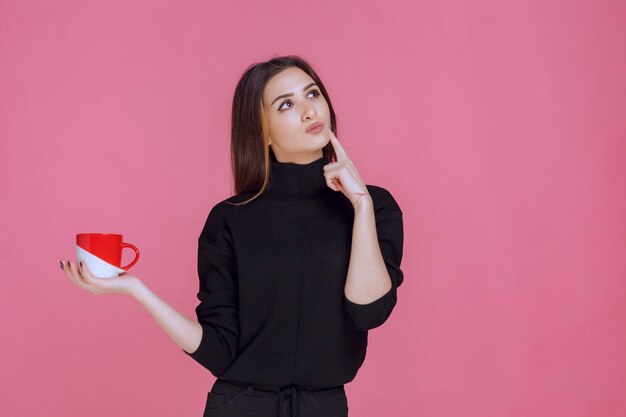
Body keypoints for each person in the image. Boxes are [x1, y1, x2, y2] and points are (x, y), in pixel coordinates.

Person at [60, 55, 404, 417]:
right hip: (240, 406)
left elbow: (370, 312)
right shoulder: (229, 220)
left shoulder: (373, 207)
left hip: (324, 406)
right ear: (263, 130)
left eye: (312, 94)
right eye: (286, 104)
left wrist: (361, 203)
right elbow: (220, 349)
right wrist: (137, 290)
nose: (308, 111)